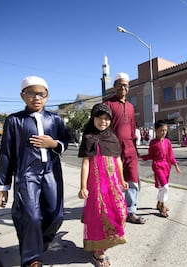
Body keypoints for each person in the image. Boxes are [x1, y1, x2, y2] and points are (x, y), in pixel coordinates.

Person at [0, 76, 70, 267]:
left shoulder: (55, 118)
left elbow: (66, 141)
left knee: (56, 214)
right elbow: (6, 155)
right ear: (23, 96)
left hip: (51, 171)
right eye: (31, 93)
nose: (37, 98)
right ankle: (31, 258)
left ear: (47, 96)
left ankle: (37, 243)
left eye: (41, 94)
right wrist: (3, 186)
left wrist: (54, 144)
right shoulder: (14, 121)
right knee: (31, 216)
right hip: (26, 174)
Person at [78, 103, 128, 267]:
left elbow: (118, 160)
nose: (103, 121)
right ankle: (98, 251)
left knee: (120, 213)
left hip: (112, 186)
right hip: (95, 186)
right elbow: (86, 163)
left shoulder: (112, 138)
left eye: (107, 118)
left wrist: (121, 180)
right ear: (93, 118)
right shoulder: (88, 138)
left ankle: (104, 244)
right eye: (99, 117)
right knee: (98, 217)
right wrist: (83, 187)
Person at [104, 72, 146, 224]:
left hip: (130, 148)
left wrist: (135, 147)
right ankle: (115, 209)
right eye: (120, 84)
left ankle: (131, 211)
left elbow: (133, 127)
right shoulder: (107, 104)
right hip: (113, 148)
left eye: (126, 85)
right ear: (114, 86)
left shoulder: (130, 106)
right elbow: (101, 127)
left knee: (132, 179)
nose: (123, 87)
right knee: (114, 181)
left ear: (129, 88)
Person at [141, 120, 181, 218]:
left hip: (167, 167)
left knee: (162, 187)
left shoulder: (167, 142)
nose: (164, 132)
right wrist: (141, 157)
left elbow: (171, 155)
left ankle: (159, 203)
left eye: (165, 130)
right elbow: (151, 155)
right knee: (164, 187)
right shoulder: (153, 142)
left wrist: (175, 165)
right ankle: (162, 207)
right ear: (156, 130)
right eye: (161, 130)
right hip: (157, 166)